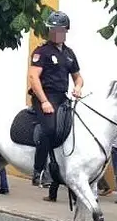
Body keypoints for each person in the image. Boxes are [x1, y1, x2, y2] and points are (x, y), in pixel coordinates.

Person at [28, 11, 83, 187]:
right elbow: (33, 77)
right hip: (44, 96)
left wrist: (78, 87)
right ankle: (39, 171)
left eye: (60, 29)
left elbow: (78, 77)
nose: (56, 33)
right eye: (53, 29)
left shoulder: (69, 53)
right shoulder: (41, 51)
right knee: (49, 129)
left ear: (66, 30)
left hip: (62, 97)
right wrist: (44, 101)